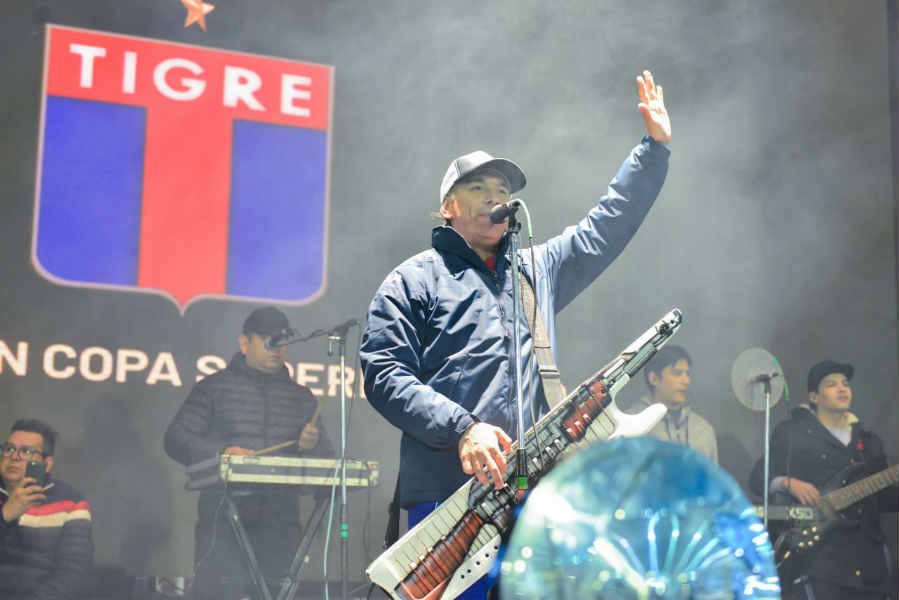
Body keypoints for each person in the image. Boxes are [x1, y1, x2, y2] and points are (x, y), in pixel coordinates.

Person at [360, 70, 671, 598]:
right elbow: (383, 374)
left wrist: (654, 150)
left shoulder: (537, 270)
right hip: (448, 502)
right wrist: (463, 428)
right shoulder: (413, 278)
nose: (493, 198)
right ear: (448, 207)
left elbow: (606, 226)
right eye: (477, 189)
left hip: (536, 500)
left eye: (501, 190)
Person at [164, 306, 332, 600]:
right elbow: (176, 438)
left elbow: (327, 464)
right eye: (268, 341)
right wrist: (223, 451)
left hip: (280, 524)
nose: (276, 349)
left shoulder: (302, 398)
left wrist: (312, 446)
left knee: (277, 590)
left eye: (282, 343)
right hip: (224, 520)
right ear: (244, 344)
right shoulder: (214, 388)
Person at [749, 360, 898, 600]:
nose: (842, 388)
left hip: (870, 565)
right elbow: (758, 477)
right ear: (814, 397)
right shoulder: (793, 433)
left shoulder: (868, 441)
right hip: (821, 562)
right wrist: (788, 482)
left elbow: (886, 501)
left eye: (846, 384)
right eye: (832, 384)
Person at [0, 418, 94, 600]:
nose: (14, 456)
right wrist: (5, 515)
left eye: (26, 451)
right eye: (9, 448)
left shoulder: (71, 503)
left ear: (47, 463)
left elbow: (73, 572)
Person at [634, 344, 718, 463]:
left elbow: (712, 480)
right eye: (677, 373)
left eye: (687, 374)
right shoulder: (632, 426)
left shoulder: (703, 431)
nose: (686, 381)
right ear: (654, 379)